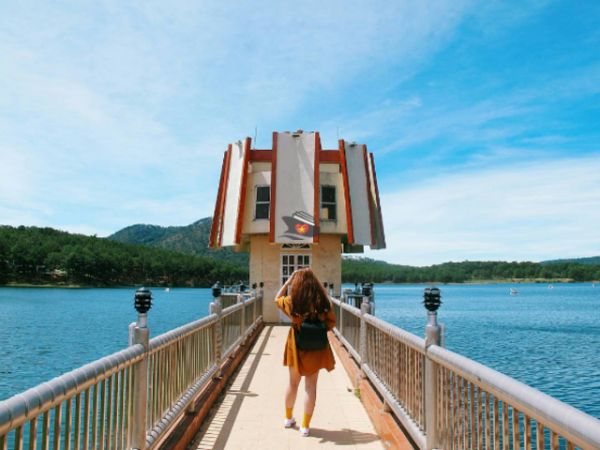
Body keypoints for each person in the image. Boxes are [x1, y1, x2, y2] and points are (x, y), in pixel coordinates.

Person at [274, 268, 336, 437]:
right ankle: (305, 426)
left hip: (296, 346)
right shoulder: (322, 303)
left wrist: (287, 282)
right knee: (311, 387)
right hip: (315, 349)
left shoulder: (293, 301)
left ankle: (288, 419)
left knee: (292, 384)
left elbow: (276, 299)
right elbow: (331, 323)